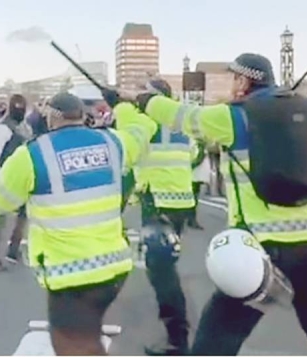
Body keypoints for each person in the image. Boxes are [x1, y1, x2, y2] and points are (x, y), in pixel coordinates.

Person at [137, 53, 307, 355]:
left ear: (243, 81)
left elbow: (184, 117)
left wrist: (146, 101)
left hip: (266, 248)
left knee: (217, 339)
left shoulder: (235, 116)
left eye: (233, 78)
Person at [0, 91, 153, 355]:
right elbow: (141, 131)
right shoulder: (113, 142)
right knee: (87, 339)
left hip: (71, 274)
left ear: (52, 117)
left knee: (74, 346)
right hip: (114, 267)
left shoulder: (33, 154)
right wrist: (123, 105)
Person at [133, 79, 193, 356]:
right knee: (167, 267)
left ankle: (176, 339)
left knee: (162, 273)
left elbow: (129, 151)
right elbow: (193, 154)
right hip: (180, 200)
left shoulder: (146, 123)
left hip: (156, 201)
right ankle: (176, 334)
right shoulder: (182, 122)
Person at [0, 94, 32, 272]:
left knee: (23, 215)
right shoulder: (4, 128)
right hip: (5, 178)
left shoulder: (23, 127)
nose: (20, 110)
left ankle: (13, 249)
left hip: (22, 177)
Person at [189, 139, 209, 229]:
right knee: (192, 199)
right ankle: (190, 220)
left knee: (194, 198)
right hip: (192, 175)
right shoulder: (194, 143)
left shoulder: (200, 145)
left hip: (196, 175)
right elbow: (196, 160)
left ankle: (191, 219)